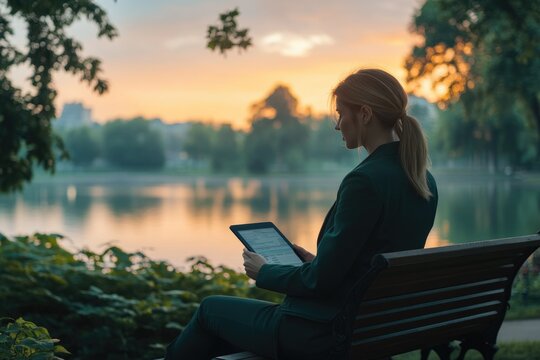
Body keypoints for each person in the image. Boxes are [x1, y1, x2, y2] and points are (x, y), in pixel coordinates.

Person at [164, 68, 438, 360]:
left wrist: (264, 271)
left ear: (365, 114)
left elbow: (319, 282)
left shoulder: (365, 181)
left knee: (210, 309)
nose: (337, 125)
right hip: (376, 326)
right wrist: (315, 260)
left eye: (340, 114)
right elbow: (369, 258)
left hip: (325, 332)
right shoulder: (421, 179)